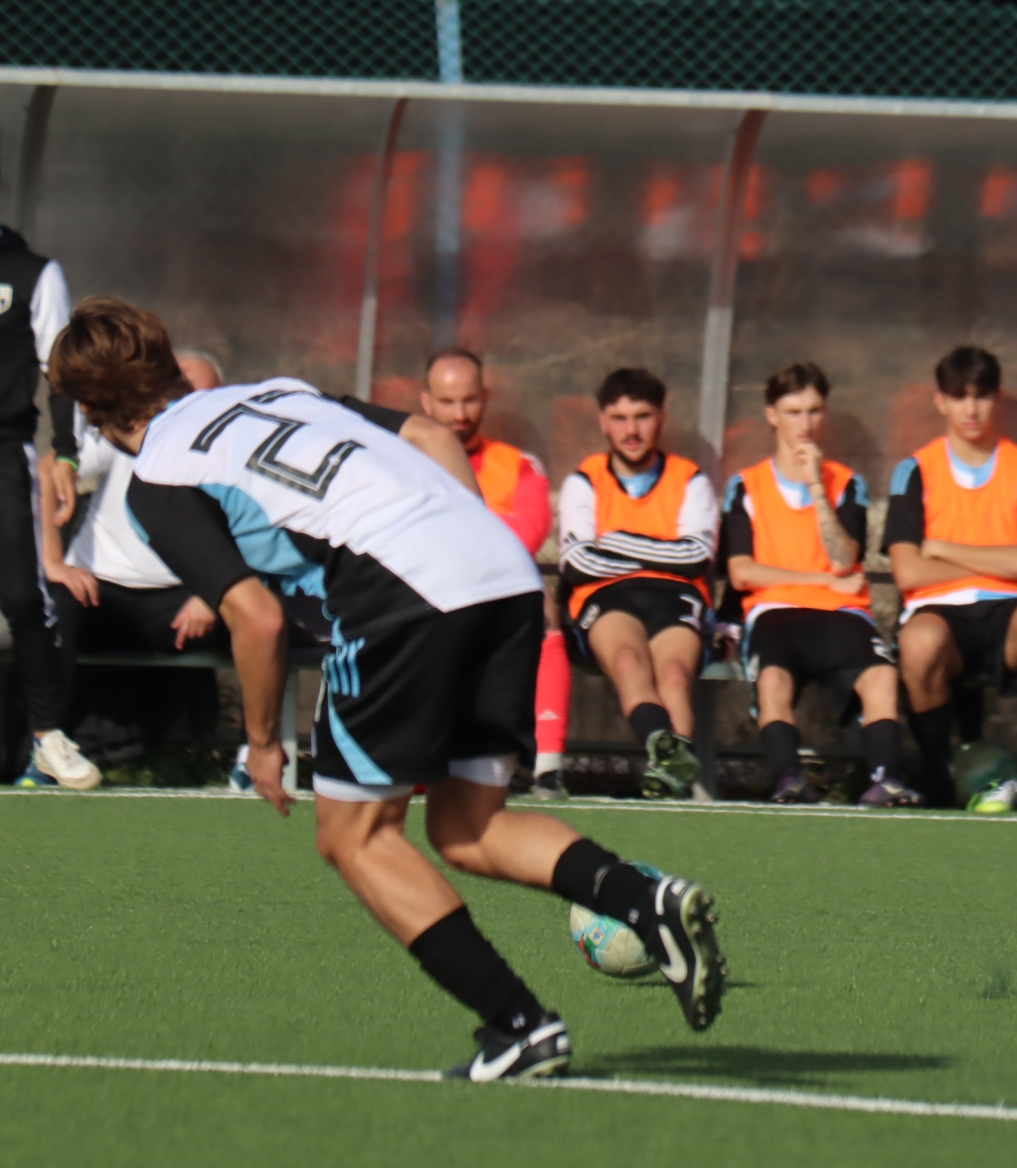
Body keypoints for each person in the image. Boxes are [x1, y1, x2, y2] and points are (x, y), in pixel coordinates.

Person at [51, 297, 728, 1079]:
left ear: (94, 410)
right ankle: (644, 901)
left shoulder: (158, 477)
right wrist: (465, 546)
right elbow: (431, 436)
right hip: (502, 575)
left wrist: (263, 743)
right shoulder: (278, 391)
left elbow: (255, 619)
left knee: (354, 837)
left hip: (403, 598)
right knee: (469, 828)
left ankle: (521, 1027)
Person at [883, 346, 1017, 814]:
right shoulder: (914, 472)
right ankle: (939, 778)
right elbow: (908, 571)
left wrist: (941, 547)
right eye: (959, 396)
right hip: (939, 612)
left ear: (997, 399)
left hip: (1013, 611)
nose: (971, 409)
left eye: (981, 396)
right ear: (940, 401)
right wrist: (997, 560)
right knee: (918, 642)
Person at [723, 363, 917, 808]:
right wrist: (821, 579)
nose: (804, 424)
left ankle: (886, 779)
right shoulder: (746, 486)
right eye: (793, 412)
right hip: (775, 613)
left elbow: (844, 559)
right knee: (772, 680)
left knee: (881, 676)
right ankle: (788, 780)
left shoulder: (846, 483)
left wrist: (815, 484)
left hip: (840, 612)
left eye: (813, 411)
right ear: (772, 415)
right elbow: (742, 573)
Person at [30, 351, 224, 783]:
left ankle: (253, 757)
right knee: (48, 614)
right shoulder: (124, 432)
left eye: (196, 394)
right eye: (176, 390)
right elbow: (47, 471)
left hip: (181, 607)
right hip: (99, 593)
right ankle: (44, 751)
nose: (181, 403)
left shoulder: (230, 450)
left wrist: (212, 594)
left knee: (255, 618)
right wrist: (54, 562)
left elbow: (259, 531)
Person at [420, 347, 573, 800]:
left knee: (544, 608)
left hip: (494, 587)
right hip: (423, 587)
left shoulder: (518, 465)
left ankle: (546, 767)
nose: (459, 414)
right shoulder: (400, 460)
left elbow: (526, 533)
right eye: (447, 402)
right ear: (426, 402)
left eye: (469, 400)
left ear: (485, 398)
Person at [559, 367, 713, 799]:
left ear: (661, 417)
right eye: (620, 418)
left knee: (673, 674)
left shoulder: (690, 478)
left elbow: (696, 556)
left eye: (642, 417)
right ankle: (670, 760)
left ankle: (670, 773)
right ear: (603, 422)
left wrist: (616, 541)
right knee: (628, 661)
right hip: (606, 595)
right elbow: (576, 562)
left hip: (676, 594)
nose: (631, 431)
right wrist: (660, 552)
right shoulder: (584, 479)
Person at [0, 219, 94, 789]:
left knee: (21, 595)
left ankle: (47, 737)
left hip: (4, 450)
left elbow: (60, 369)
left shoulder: (34, 273)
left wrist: (66, 453)